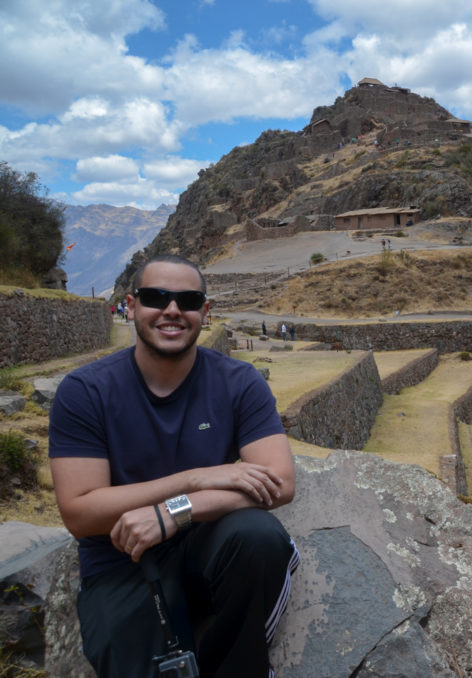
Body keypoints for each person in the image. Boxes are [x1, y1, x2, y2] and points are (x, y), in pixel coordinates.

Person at [48, 254, 299, 677]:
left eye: (186, 299)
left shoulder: (239, 383)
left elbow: (280, 483)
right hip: (122, 561)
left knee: (258, 536)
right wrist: (194, 478)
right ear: (131, 305)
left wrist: (173, 513)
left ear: (204, 311)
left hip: (208, 547)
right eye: (155, 297)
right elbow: (80, 512)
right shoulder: (86, 391)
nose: (171, 310)